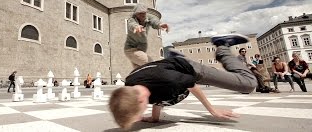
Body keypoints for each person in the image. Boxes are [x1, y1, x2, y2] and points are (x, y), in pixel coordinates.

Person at [109, 34, 258, 130]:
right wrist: (154, 118)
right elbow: (155, 93)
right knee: (169, 92)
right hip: (169, 66)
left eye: (140, 114)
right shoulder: (129, 84)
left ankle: (222, 46)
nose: (140, 117)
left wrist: (213, 111)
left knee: (248, 84)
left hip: (191, 70)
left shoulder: (169, 81)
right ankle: (178, 56)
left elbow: (192, 85)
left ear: (141, 101)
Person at [124, 3, 169, 69]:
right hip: (131, 50)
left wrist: (160, 25)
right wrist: (136, 27)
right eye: (140, 14)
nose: (143, 15)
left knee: (140, 71)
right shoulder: (132, 20)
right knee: (150, 64)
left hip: (141, 50)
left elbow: (154, 21)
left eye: (144, 13)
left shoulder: (147, 18)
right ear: (136, 14)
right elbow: (131, 24)